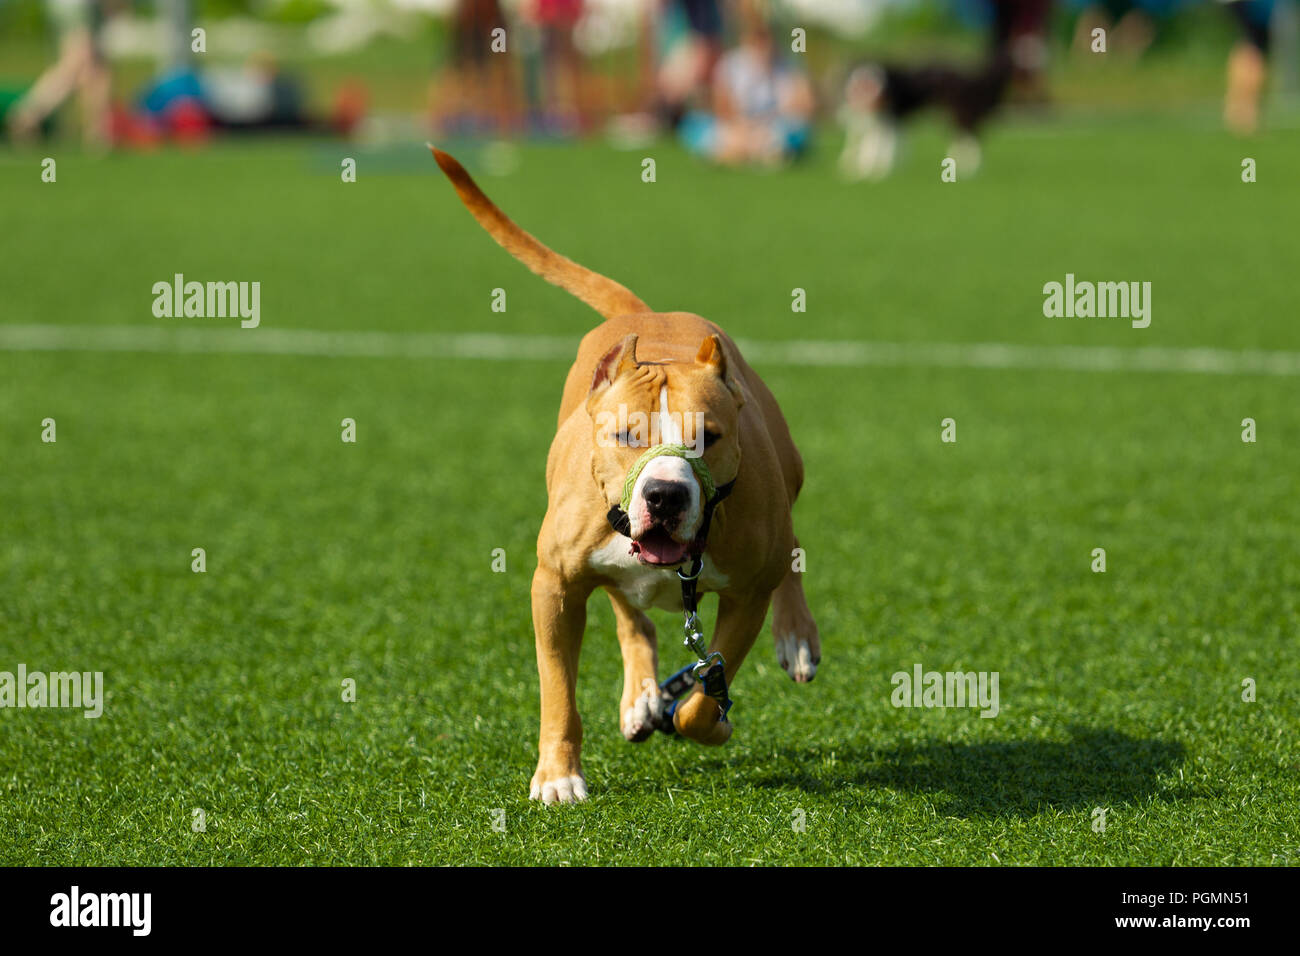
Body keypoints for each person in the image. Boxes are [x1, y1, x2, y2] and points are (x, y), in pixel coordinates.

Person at [679, 0, 813, 167]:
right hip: (740, 127)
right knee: (698, 127)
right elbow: (723, 107)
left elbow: (802, 106)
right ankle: (746, 152)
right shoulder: (731, 65)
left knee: (792, 132)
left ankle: (747, 152)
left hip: (771, 127)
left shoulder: (786, 65)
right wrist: (744, 127)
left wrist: (764, 125)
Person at [7, 0, 112, 148]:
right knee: (76, 64)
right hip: (76, 6)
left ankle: (97, 134)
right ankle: (26, 115)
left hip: (89, 6)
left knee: (97, 69)